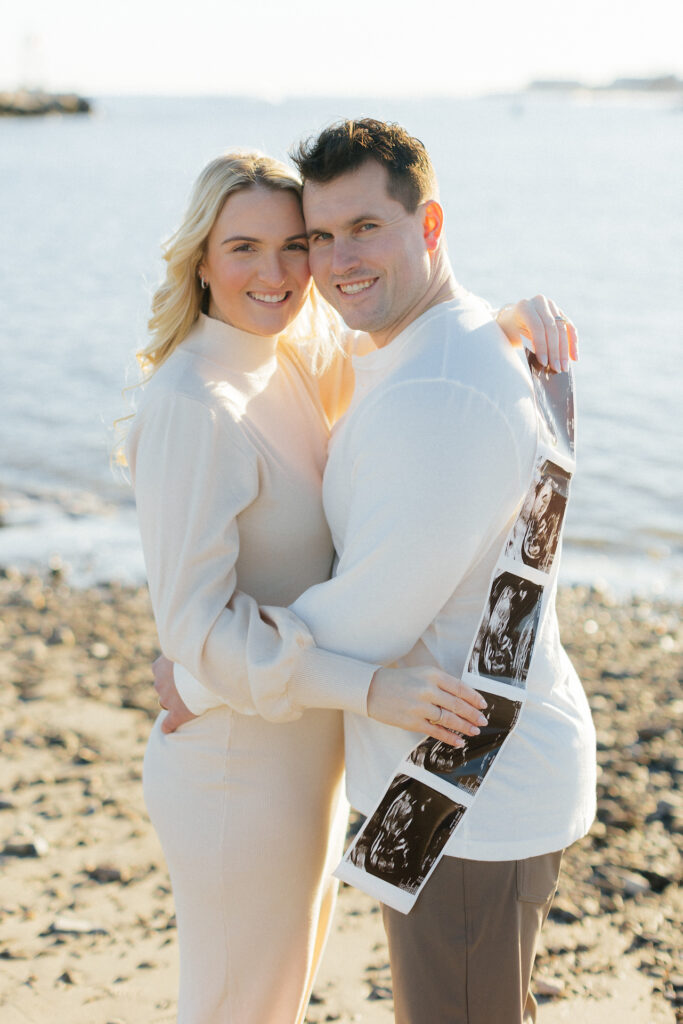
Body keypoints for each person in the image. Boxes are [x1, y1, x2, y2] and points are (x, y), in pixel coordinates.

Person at [154, 120, 595, 1024]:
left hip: (463, 779)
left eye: (359, 229)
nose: (316, 263)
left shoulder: (414, 380)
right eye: (319, 236)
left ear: (428, 226)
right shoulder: (258, 382)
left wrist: (196, 674)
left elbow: (368, 612)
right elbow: (396, 365)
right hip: (379, 767)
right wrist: (485, 322)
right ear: (200, 258)